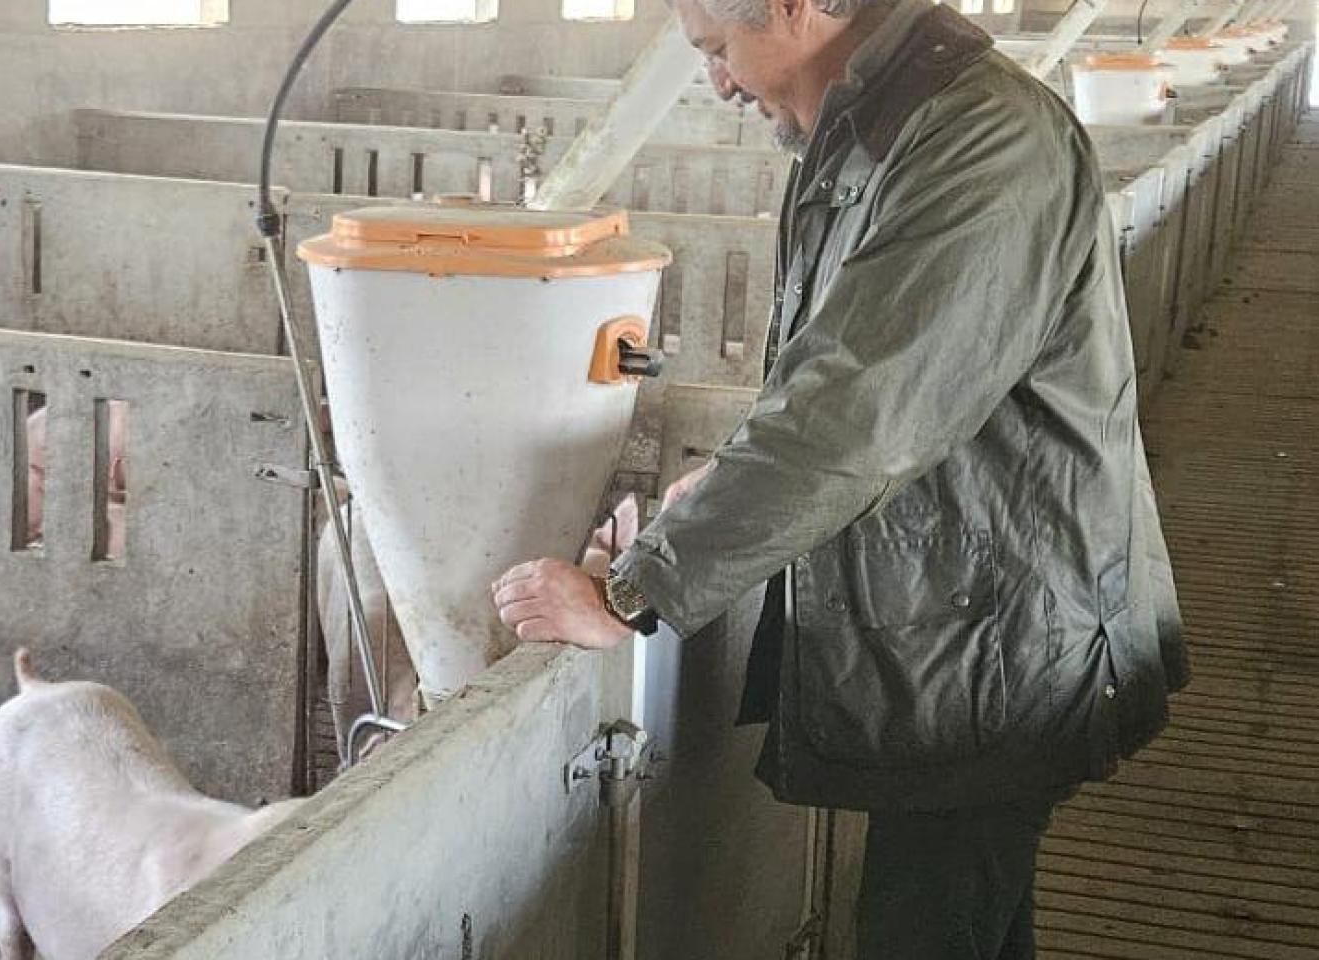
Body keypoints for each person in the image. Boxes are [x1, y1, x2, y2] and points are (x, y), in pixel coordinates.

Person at [491, 0, 1188, 956]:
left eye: (718, 48)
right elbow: (849, 371)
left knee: (929, 924)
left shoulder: (981, 138)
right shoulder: (880, 127)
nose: (719, 80)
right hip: (966, 616)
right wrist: (733, 485)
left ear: (789, 7)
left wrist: (632, 588)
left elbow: (860, 411)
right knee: (971, 920)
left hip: (1004, 637)